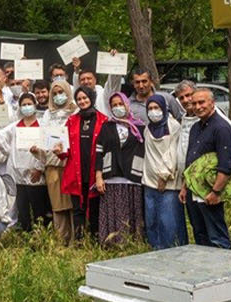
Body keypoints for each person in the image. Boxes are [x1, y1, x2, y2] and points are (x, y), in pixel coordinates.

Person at [0, 92, 50, 232]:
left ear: (35, 105)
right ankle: (25, 232)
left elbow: (46, 149)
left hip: (35, 173)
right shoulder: (14, 127)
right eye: (23, 104)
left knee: (38, 207)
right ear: (19, 107)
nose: (27, 107)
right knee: (22, 207)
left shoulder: (42, 125)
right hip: (17, 173)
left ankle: (40, 234)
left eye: (29, 104)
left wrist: (39, 168)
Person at [179, 89, 231, 249]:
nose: (198, 107)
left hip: (209, 192)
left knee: (217, 236)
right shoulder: (195, 128)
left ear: (212, 103)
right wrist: (184, 187)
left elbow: (226, 165)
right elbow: (190, 161)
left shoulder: (222, 128)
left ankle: (224, 269)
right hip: (192, 191)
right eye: (194, 103)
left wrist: (216, 192)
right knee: (200, 234)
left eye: (201, 102)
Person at [94, 92, 146, 245]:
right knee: (113, 212)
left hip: (133, 177)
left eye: (120, 104)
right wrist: (98, 177)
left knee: (132, 211)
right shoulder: (107, 126)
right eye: (114, 105)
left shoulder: (139, 127)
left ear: (127, 105)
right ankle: (112, 243)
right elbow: (99, 152)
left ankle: (132, 243)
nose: (118, 108)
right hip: (111, 177)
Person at [61, 86, 106, 239]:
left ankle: (95, 240)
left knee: (95, 208)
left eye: (85, 98)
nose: (82, 101)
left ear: (92, 98)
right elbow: (65, 147)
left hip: (96, 171)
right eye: (79, 99)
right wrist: (58, 151)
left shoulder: (103, 120)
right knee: (78, 209)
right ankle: (80, 241)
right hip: (76, 171)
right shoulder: (71, 121)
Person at [143, 94, 187, 249]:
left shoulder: (173, 126)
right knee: (152, 221)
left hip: (168, 183)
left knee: (169, 222)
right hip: (149, 182)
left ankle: (175, 251)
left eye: (157, 108)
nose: (153, 112)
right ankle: (156, 251)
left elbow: (173, 152)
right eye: (150, 108)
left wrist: (163, 175)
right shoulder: (147, 128)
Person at [42, 80, 76, 243]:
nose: (58, 97)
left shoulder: (75, 112)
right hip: (53, 165)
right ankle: (62, 240)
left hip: (71, 165)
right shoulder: (47, 115)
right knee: (58, 207)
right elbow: (43, 139)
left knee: (73, 205)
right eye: (54, 94)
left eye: (61, 92)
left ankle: (76, 240)